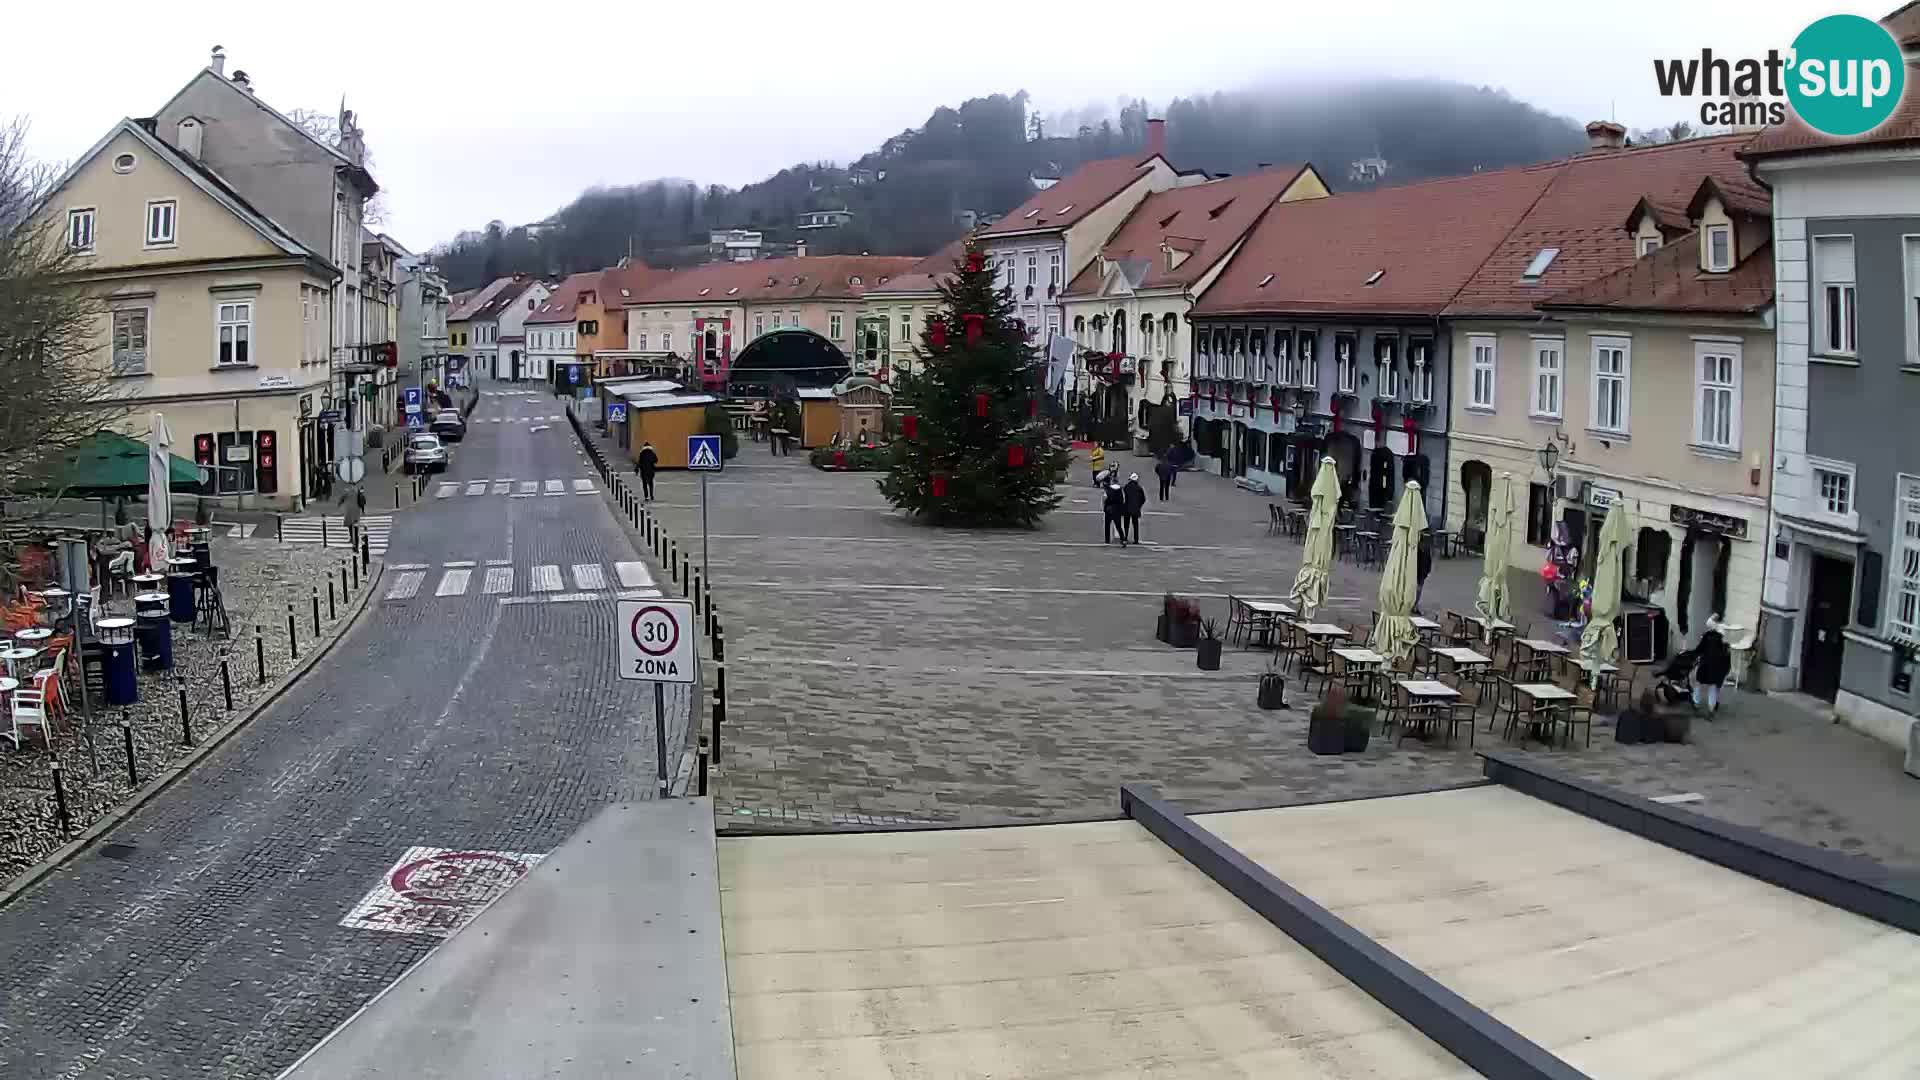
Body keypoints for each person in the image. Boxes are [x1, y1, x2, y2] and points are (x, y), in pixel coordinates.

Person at [1693, 622, 1732, 716]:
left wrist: (1691, 656)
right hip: (1717, 668)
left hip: (1705, 665)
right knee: (1713, 687)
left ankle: (1696, 703)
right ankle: (1711, 709)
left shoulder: (1707, 636)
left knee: (1698, 683)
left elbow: (1698, 650)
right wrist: (1726, 671)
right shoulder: (1725, 644)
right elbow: (1727, 660)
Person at [1122, 473, 1147, 544]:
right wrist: (1138, 506)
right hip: (1136, 509)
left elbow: (1123, 497)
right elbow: (1143, 499)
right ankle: (1136, 539)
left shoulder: (1126, 487)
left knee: (1126, 524)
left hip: (1127, 508)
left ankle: (1125, 537)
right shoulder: (1139, 488)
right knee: (1135, 524)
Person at [1414, 536, 1433, 614]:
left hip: (1421, 571)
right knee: (1418, 589)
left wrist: (1427, 571)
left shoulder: (1425, 547)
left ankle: (1415, 605)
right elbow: (1429, 560)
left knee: (1418, 589)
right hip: (1419, 571)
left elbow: (1428, 559)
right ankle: (1415, 605)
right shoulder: (1421, 547)